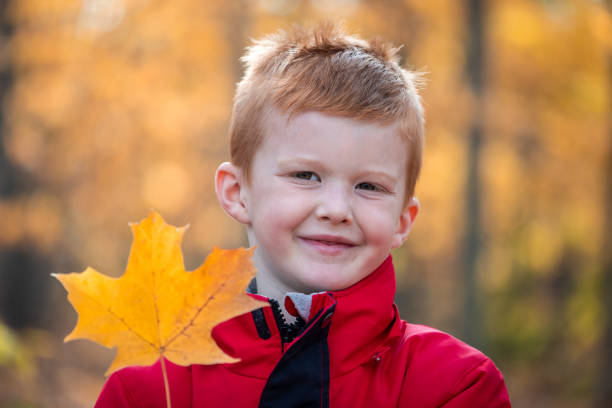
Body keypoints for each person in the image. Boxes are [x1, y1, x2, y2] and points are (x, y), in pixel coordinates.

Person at [95, 23, 511, 407]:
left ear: (403, 219)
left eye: (369, 186)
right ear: (238, 193)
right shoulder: (151, 386)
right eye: (306, 175)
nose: (335, 210)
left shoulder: (453, 383)